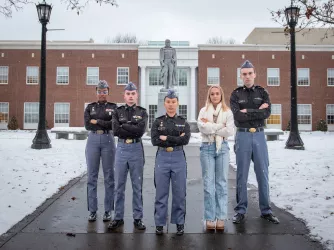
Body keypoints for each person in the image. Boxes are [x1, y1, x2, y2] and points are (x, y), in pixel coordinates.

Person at [230, 60, 279, 224]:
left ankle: (266, 210)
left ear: (254, 74)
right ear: (241, 76)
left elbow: (266, 114)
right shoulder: (236, 94)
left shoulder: (262, 92)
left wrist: (249, 111)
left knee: (262, 174)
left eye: (250, 73)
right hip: (242, 136)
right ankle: (241, 210)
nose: (247, 76)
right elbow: (238, 116)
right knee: (241, 175)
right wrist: (257, 111)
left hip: (259, 136)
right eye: (244, 74)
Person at [108, 82, 148, 230]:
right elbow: (116, 131)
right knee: (119, 186)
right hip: (122, 149)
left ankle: (138, 218)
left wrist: (124, 125)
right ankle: (118, 217)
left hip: (136, 149)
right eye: (128, 94)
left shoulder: (142, 112)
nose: (130, 96)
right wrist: (131, 127)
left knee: (137, 186)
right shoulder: (117, 112)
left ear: (136, 95)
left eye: (133, 94)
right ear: (124, 96)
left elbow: (140, 131)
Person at [151, 89, 191, 236]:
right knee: (161, 192)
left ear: (177, 103)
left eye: (173, 102)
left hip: (178, 156)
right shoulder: (158, 121)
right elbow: (155, 140)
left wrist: (166, 138)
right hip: (162, 157)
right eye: (168, 102)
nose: (171, 105)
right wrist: (175, 137)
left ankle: (179, 222)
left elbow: (185, 140)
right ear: (164, 103)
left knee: (179, 192)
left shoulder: (183, 122)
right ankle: (160, 223)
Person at [197, 85, 234, 230]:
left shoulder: (228, 112)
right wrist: (220, 127)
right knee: (208, 184)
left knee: (221, 183)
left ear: (221, 95)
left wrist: (211, 126)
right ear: (209, 96)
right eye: (212, 94)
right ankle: (210, 217)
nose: (215, 96)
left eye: (217, 93)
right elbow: (202, 128)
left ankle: (221, 217)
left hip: (222, 148)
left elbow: (230, 131)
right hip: (206, 148)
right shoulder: (203, 111)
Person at [84, 80, 117, 222]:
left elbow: (114, 124)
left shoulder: (113, 107)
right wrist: (103, 123)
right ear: (96, 92)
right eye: (99, 91)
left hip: (108, 140)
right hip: (92, 141)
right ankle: (92, 210)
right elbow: (87, 125)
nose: (102, 93)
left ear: (108, 92)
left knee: (109, 176)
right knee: (92, 176)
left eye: (104, 91)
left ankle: (108, 210)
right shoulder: (90, 107)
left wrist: (96, 121)